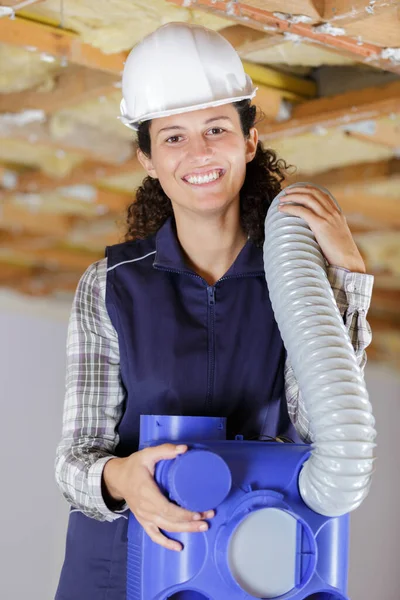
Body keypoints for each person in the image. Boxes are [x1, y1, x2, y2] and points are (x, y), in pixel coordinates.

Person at [54, 22, 374, 599]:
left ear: (249, 142)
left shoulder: (295, 280)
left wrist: (347, 274)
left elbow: (326, 424)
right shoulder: (109, 286)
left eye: (217, 128)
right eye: (173, 137)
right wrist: (124, 476)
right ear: (147, 158)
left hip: (251, 560)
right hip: (118, 568)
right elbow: (75, 461)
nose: (198, 153)